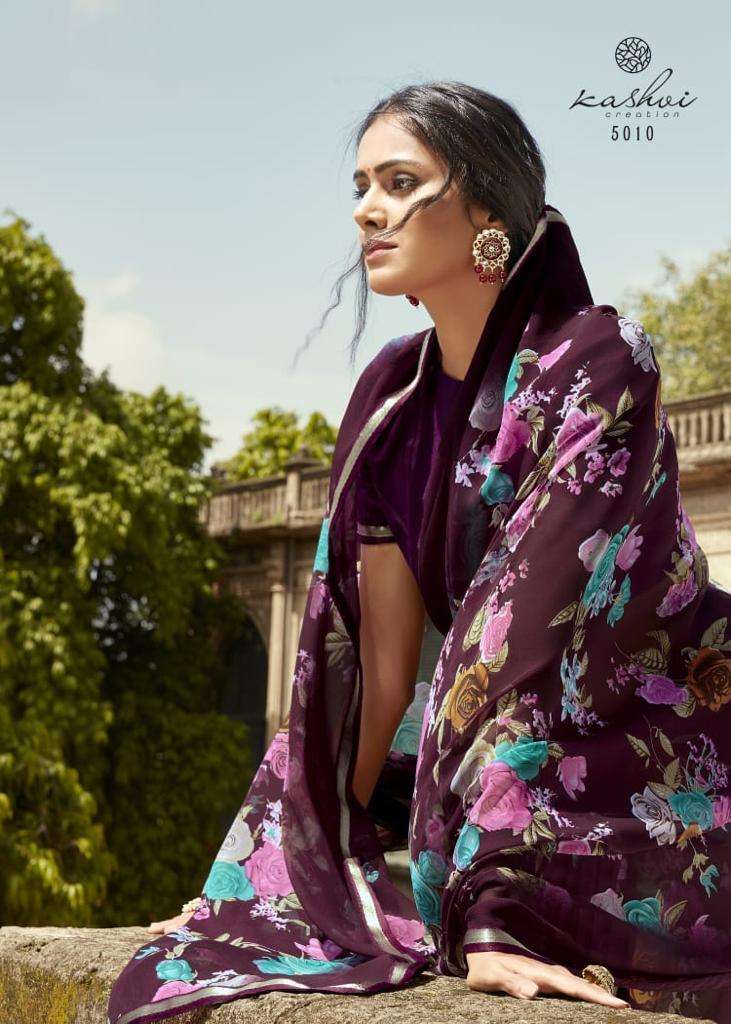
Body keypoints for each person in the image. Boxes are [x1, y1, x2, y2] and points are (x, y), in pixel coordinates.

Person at [107, 82, 731, 1024]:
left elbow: (523, 636)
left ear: (486, 209)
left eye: (400, 183)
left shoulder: (598, 360)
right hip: (516, 767)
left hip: (664, 742)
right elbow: (373, 668)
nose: (367, 209)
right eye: (360, 186)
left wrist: (496, 910)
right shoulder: (389, 399)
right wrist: (261, 880)